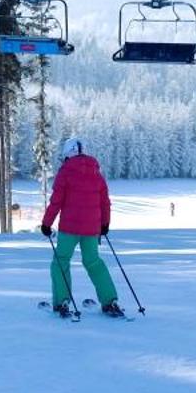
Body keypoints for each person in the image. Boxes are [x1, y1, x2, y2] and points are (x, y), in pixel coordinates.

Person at [41, 136, 121, 318]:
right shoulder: (96, 174)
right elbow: (105, 202)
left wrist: (46, 223)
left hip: (69, 229)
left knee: (60, 262)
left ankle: (62, 302)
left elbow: (56, 202)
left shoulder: (65, 172)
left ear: (68, 154)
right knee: (93, 262)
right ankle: (109, 301)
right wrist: (105, 224)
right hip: (91, 230)